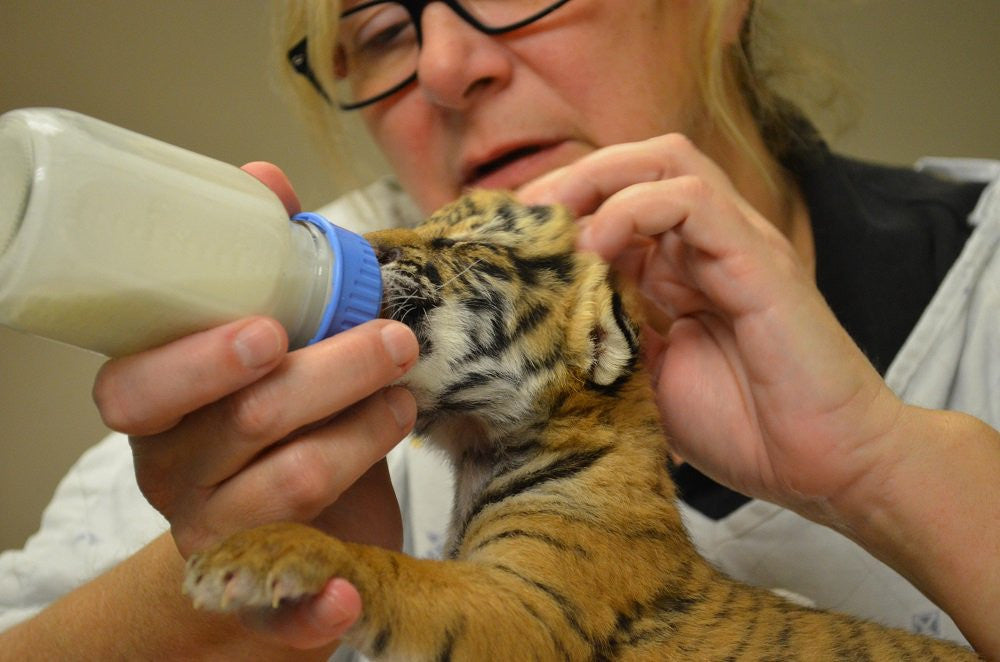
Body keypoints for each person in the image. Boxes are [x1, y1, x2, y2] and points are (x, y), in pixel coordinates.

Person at [1, 0, 998, 659]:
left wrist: (878, 464)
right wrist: (226, 586)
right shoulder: (310, 304)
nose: (444, 64)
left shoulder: (982, 279)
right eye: (384, 26)